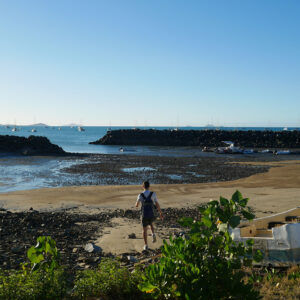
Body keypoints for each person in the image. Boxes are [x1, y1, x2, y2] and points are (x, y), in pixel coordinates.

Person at [135, 181, 163, 251]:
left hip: (144, 214)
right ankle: (153, 234)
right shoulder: (153, 194)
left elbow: (137, 205)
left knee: (144, 229)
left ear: (143, 186)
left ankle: (146, 245)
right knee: (151, 224)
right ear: (149, 186)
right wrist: (160, 213)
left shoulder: (140, 195)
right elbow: (157, 204)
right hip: (151, 213)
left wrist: (138, 203)